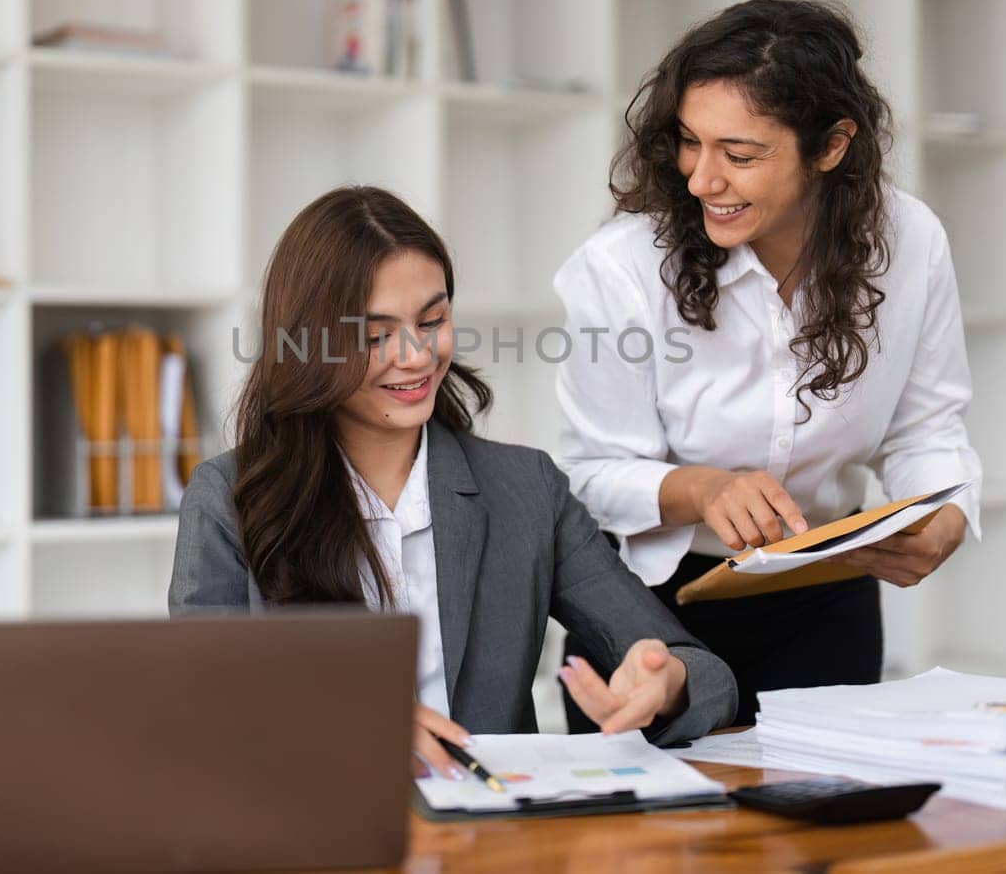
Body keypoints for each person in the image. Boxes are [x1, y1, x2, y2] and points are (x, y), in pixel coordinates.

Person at [170, 186, 734, 780]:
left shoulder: (525, 488)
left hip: (490, 834)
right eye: (374, 334)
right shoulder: (229, 496)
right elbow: (201, 709)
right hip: (317, 830)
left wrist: (666, 681)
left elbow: (700, 670)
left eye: (432, 320)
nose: (415, 357)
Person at [555, 0, 983, 728]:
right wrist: (702, 489)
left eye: (740, 154)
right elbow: (591, 477)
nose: (700, 180)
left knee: (819, 832)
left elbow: (925, 429)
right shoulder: (623, 266)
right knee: (652, 840)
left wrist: (945, 509)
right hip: (651, 614)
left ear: (831, 145)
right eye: (690, 142)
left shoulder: (909, 241)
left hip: (826, 604)